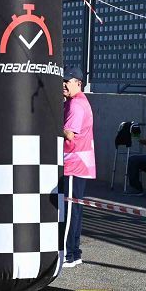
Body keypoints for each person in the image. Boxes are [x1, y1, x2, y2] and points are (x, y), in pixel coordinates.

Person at [61, 67, 95, 268]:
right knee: (74, 210)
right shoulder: (75, 102)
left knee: (69, 210)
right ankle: (75, 252)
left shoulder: (76, 105)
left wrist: (48, 124)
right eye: (62, 81)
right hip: (78, 164)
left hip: (74, 164)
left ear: (78, 83)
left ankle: (69, 254)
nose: (64, 84)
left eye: (68, 81)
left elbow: (69, 134)